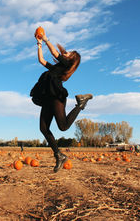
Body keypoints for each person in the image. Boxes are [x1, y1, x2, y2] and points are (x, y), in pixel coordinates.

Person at [30, 30, 93, 172]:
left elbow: (54, 53)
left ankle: (80, 104)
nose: (67, 53)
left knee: (63, 126)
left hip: (57, 96)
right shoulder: (57, 68)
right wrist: (39, 44)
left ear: (71, 59)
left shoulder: (66, 64)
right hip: (47, 97)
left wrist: (46, 40)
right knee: (43, 128)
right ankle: (58, 155)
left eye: (69, 53)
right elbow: (41, 60)